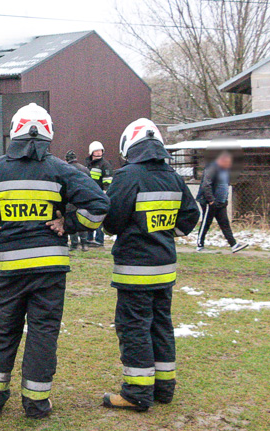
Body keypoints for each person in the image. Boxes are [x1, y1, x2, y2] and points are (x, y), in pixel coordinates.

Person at [0, 103, 109, 419]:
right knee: (43, 333)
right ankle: (36, 403)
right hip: (50, 269)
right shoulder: (62, 170)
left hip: (9, 269)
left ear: (14, 132)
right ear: (48, 134)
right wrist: (69, 225)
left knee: (3, 331)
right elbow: (100, 206)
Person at [101, 118, 199, 412]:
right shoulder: (173, 177)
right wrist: (165, 233)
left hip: (135, 269)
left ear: (130, 146)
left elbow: (112, 221)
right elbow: (190, 217)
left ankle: (137, 392)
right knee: (161, 326)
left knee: (134, 328)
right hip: (165, 267)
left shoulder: (127, 176)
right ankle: (164, 388)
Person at [196, 151, 248, 253]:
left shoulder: (225, 170)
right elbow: (206, 185)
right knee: (206, 223)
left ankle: (233, 245)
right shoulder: (212, 168)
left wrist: (225, 199)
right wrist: (211, 200)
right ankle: (199, 245)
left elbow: (224, 186)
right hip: (209, 202)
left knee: (224, 224)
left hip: (221, 203)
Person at [85, 141, 112, 247]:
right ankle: (89, 238)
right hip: (89, 194)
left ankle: (99, 240)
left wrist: (105, 193)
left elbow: (108, 181)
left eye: (100, 150)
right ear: (91, 152)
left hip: (100, 195)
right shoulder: (88, 164)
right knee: (88, 216)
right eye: (96, 150)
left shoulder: (105, 165)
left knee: (99, 218)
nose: (99, 152)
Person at [64, 150, 90, 252]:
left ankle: (74, 244)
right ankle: (84, 244)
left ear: (66, 159)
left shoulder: (65, 169)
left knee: (71, 221)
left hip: (70, 199)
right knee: (82, 221)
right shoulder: (85, 169)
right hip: (83, 198)